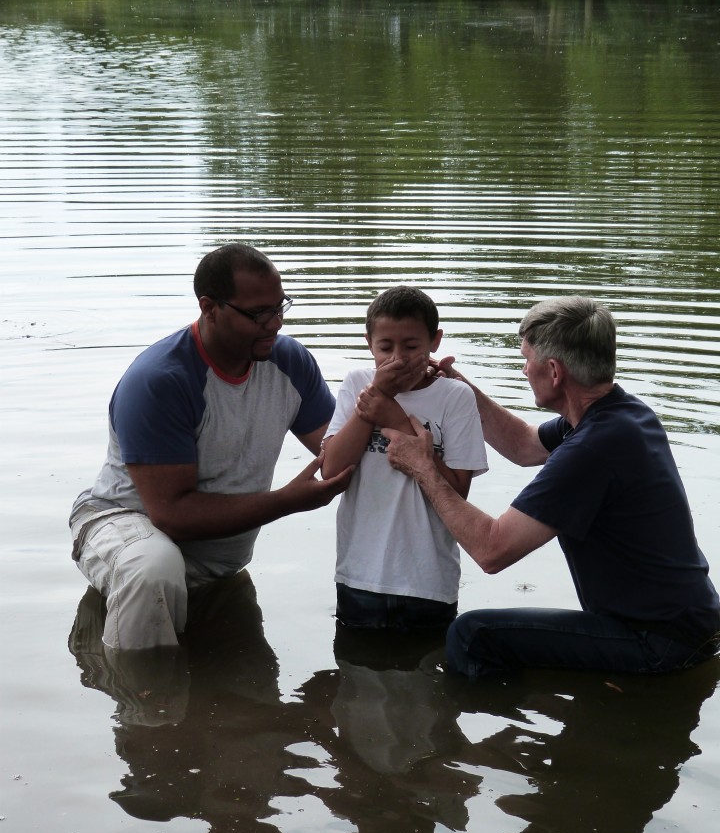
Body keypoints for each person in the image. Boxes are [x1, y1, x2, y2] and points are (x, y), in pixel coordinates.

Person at [380, 295, 720, 676]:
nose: (524, 370)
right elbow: (524, 445)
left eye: (527, 360)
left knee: (473, 636)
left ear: (555, 372)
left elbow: (491, 550)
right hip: (694, 625)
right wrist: (459, 387)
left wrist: (424, 468)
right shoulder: (623, 415)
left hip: (658, 642)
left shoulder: (591, 450)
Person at [69, 242, 353, 651]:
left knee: (236, 700)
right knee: (153, 569)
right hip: (123, 525)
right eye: (258, 313)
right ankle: (144, 706)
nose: (274, 324)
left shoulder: (289, 362)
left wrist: (389, 400)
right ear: (210, 307)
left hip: (217, 565)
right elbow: (172, 515)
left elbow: (339, 452)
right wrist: (288, 500)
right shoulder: (161, 381)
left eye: (280, 307)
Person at [321, 286, 488, 632]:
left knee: (426, 675)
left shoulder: (455, 397)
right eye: (385, 347)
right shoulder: (357, 384)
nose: (397, 358)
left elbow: (458, 492)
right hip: (360, 576)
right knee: (356, 676)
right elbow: (332, 470)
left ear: (434, 341)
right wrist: (376, 399)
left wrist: (395, 418)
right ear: (369, 342)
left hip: (428, 582)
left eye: (411, 346)